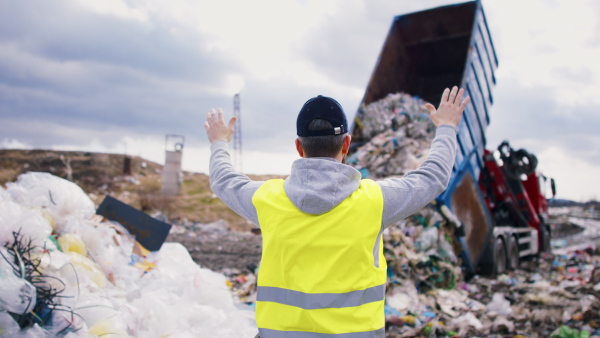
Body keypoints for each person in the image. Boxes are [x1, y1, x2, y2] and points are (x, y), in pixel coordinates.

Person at [204, 87, 469, 338]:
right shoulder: (375, 201)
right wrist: (446, 127)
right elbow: (432, 177)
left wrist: (219, 142)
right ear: (346, 144)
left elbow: (223, 180)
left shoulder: (268, 200)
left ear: (299, 147)